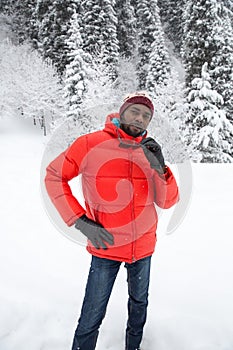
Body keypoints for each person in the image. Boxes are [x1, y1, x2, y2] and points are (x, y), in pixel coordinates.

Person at [44, 91, 179, 350]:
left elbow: (167, 201)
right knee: (92, 313)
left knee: (139, 306)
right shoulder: (90, 144)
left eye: (146, 115)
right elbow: (53, 176)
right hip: (105, 246)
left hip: (143, 247)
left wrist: (161, 168)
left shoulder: (148, 151)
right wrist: (80, 220)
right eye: (135, 111)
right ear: (121, 111)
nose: (140, 119)